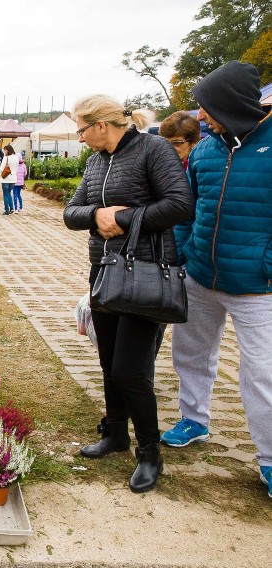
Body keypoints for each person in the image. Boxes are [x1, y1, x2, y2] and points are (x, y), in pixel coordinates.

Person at [64, 94, 192, 493]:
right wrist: (96, 215)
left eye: (82, 129)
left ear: (102, 125)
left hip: (145, 277)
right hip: (105, 273)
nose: (80, 137)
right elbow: (72, 212)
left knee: (130, 370)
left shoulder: (153, 150)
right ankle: (116, 433)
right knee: (108, 362)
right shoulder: (96, 161)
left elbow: (180, 204)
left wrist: (121, 217)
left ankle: (150, 452)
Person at [158, 61, 272, 498]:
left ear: (232, 103)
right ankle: (194, 419)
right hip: (201, 275)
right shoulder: (206, 151)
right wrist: (179, 254)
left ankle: (269, 459)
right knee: (190, 351)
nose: (201, 117)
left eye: (207, 107)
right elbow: (187, 210)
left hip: (257, 285)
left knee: (262, 372)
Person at [157, 111, 202, 264]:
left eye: (177, 143)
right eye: (166, 143)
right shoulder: (159, 166)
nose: (170, 148)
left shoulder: (198, 168)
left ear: (194, 142)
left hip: (189, 246)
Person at [0, 145, 18, 215]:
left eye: (5, 150)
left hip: (6, 178)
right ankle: (11, 208)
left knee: (5, 194)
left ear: (8, 150)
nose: (4, 152)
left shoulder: (6, 158)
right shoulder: (16, 157)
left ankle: (7, 210)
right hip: (13, 178)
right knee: (9, 193)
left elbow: (2, 168)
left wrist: (0, 176)